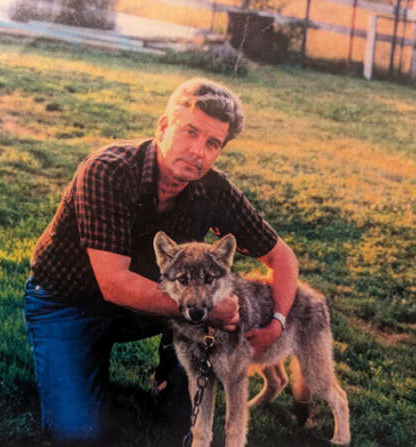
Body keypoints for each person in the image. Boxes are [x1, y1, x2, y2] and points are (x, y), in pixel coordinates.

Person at [23, 78, 301, 445]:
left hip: (154, 307)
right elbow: (114, 283)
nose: (198, 151)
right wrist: (207, 311)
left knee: (176, 420)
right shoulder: (107, 171)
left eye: (212, 143)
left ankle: (167, 384)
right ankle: (76, 366)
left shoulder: (213, 188)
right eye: (190, 132)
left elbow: (281, 257)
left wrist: (277, 323)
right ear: (163, 126)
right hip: (70, 303)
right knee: (78, 432)